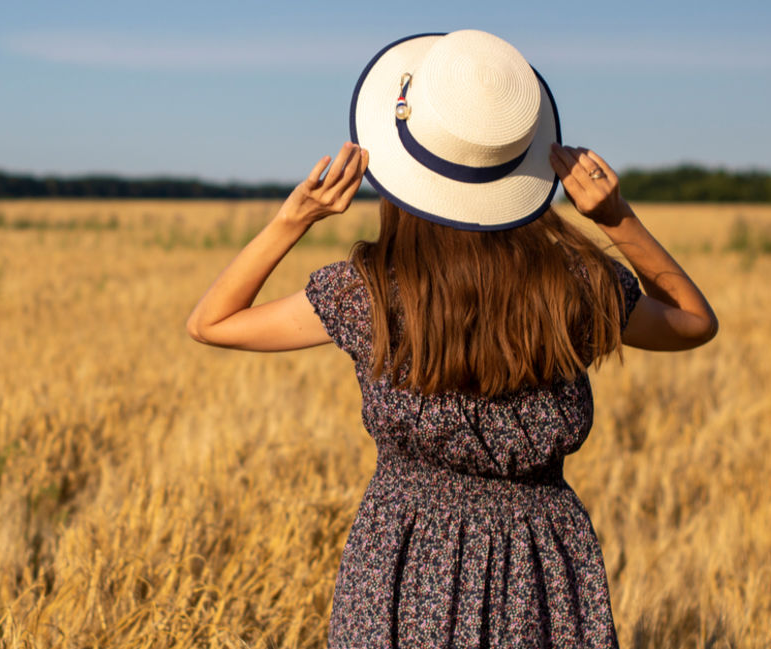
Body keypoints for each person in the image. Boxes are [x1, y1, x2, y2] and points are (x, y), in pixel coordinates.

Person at [186, 30, 717, 648]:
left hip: (403, 557)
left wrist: (293, 219)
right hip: (540, 562)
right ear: (521, 165)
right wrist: (615, 218)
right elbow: (693, 320)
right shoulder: (575, 286)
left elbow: (211, 323)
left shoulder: (372, 295)